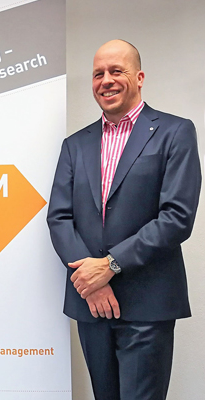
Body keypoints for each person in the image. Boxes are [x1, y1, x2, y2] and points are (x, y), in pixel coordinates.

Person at [47, 39, 201, 400]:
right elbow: (59, 218)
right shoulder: (75, 144)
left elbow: (177, 217)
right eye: (98, 73)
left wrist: (110, 265)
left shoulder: (176, 132)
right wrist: (91, 280)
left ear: (140, 77)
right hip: (91, 303)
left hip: (148, 303)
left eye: (117, 71)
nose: (106, 80)